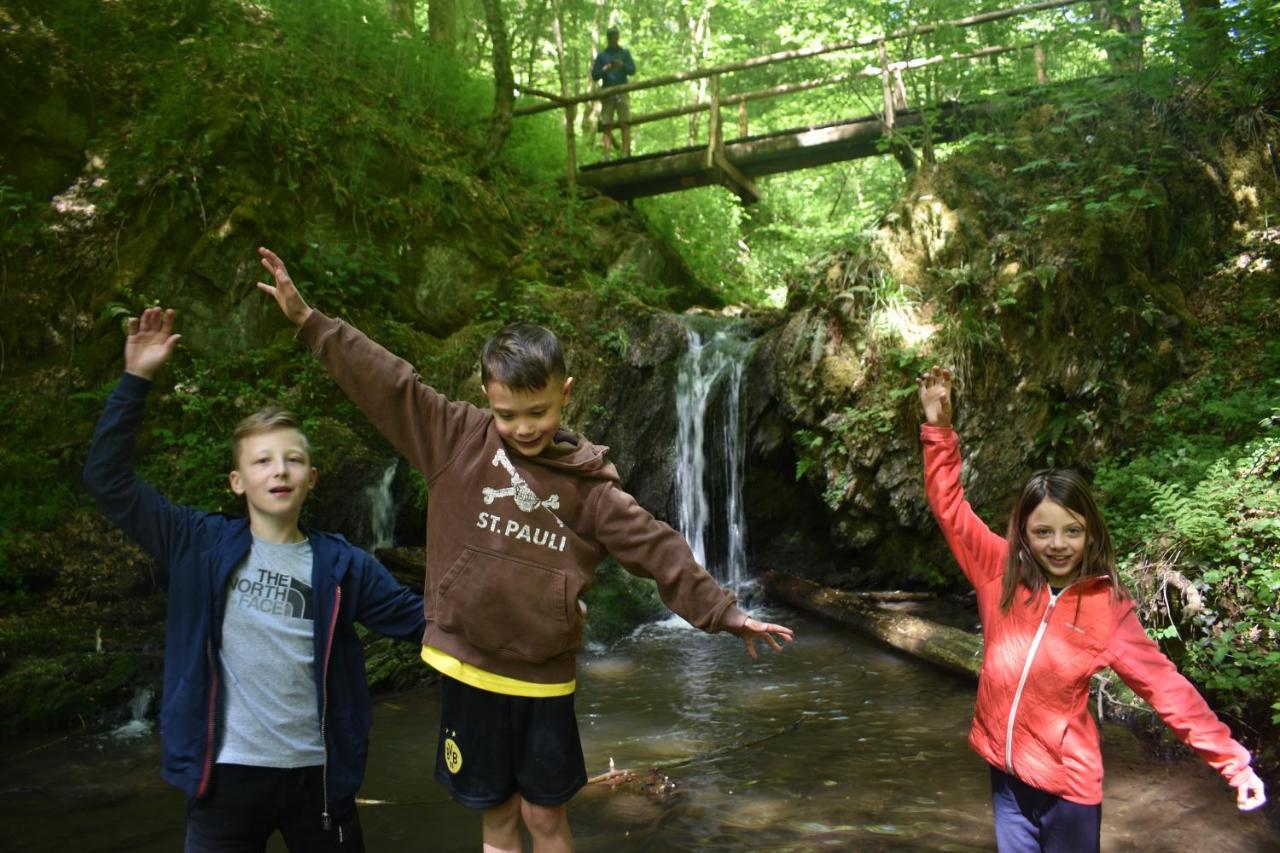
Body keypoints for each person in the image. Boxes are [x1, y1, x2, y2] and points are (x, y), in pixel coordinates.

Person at [255, 246, 794, 852]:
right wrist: (310, 322)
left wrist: (724, 612)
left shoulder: (589, 487)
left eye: (538, 411)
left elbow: (655, 547)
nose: (524, 427)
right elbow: (388, 384)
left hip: (542, 682)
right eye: (508, 414)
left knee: (546, 820)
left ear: (565, 393)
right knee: (497, 821)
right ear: (486, 396)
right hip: (467, 669)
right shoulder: (455, 438)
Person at [83, 307, 428, 853]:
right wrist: (137, 378)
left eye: (293, 460)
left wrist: (529, 620)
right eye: (263, 461)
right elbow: (108, 481)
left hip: (318, 779)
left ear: (311, 478)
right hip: (224, 777)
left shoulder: (344, 566)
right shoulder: (195, 542)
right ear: (238, 480)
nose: (280, 470)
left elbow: (429, 625)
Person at [916, 365, 1266, 852]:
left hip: (1069, 790)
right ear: (1024, 533)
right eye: (1043, 532)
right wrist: (938, 430)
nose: (1058, 545)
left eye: (1072, 531)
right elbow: (949, 505)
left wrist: (1232, 761)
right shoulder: (997, 567)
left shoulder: (1108, 607)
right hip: (1006, 773)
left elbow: (1166, 688)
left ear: (1090, 533)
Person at [590, 26, 636, 158]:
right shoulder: (602, 56)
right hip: (607, 93)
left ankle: (625, 153)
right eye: (610, 37)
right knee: (606, 124)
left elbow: (632, 70)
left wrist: (622, 65)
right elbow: (595, 75)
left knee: (625, 122)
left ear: (618, 38)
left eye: (614, 36)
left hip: (623, 91)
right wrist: (605, 69)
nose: (613, 39)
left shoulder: (625, 53)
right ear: (608, 38)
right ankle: (607, 155)